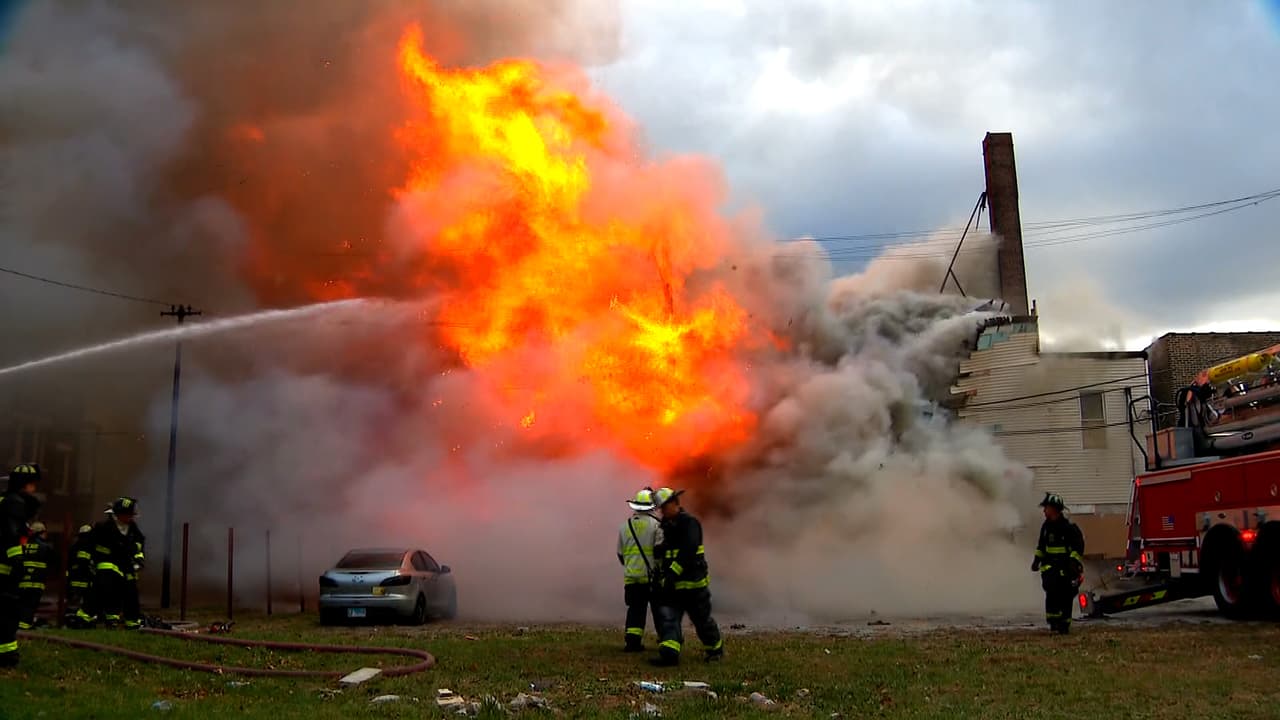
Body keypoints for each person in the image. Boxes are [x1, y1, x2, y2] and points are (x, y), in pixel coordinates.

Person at [649, 487, 723, 666]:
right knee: (668, 619)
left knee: (701, 620)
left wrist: (673, 572)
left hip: (693, 585)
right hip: (673, 586)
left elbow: (688, 550)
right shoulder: (666, 526)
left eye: (664, 507)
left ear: (675, 503)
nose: (662, 511)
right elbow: (667, 551)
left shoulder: (690, 523)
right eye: (660, 508)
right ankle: (669, 655)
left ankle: (715, 650)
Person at [0, 463, 43, 668]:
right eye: (33, 485)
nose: (35, 490)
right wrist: (18, 564)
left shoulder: (4, 501)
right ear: (26, 485)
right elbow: (11, 537)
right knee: (8, 612)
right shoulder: (15, 504)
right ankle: (6, 656)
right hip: (5, 570)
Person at [1031, 492, 1086, 634]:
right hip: (1050, 570)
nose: (1044, 511)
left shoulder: (1069, 528)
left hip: (1066, 570)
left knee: (1065, 597)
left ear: (1054, 509)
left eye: (1046, 508)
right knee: (1052, 596)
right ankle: (1054, 623)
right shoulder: (1046, 527)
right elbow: (1041, 546)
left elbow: (1077, 547)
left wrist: (1073, 563)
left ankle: (1064, 625)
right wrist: (1036, 561)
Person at [90, 497, 146, 629]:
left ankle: (132, 623)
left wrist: (139, 558)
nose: (131, 518)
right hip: (108, 564)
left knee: (131, 594)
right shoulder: (104, 528)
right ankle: (111, 621)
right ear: (120, 514)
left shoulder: (133, 529)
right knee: (111, 592)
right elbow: (96, 547)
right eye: (129, 515)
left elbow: (138, 544)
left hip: (126, 565)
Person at [616, 486, 660, 652]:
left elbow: (620, 554)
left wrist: (631, 566)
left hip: (632, 578)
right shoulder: (656, 525)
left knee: (635, 610)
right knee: (659, 610)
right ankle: (665, 641)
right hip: (651, 578)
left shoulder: (624, 527)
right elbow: (659, 552)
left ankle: (632, 643)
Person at [17, 521, 53, 630]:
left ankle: (20, 624)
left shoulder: (23, 546)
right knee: (31, 605)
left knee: (22, 604)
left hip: (22, 581)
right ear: (41, 532)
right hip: (37, 582)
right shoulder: (45, 547)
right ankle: (25, 626)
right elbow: (53, 563)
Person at [67, 524, 96, 627]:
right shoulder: (87, 546)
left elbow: (69, 563)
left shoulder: (74, 546)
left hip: (73, 580)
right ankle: (81, 621)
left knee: (73, 602)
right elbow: (84, 563)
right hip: (84, 579)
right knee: (85, 602)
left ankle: (71, 620)